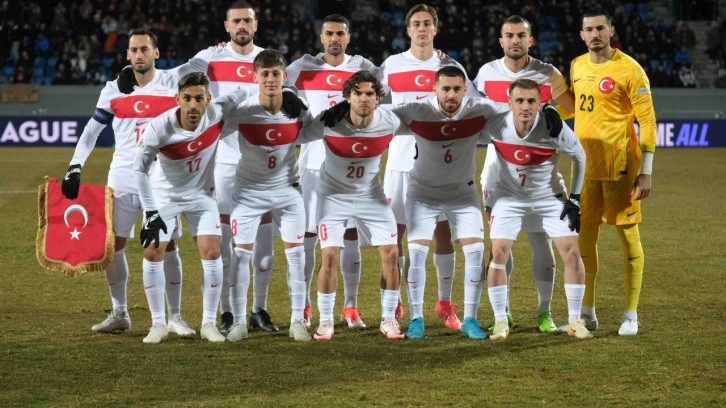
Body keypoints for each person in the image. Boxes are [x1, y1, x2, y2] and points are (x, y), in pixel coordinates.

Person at [62, 28, 193, 338]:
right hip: (122, 176)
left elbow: (203, 68)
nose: (139, 55)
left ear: (156, 53)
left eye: (144, 49)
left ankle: (174, 316)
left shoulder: (173, 83)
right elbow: (92, 130)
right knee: (113, 245)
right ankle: (120, 312)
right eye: (133, 50)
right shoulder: (113, 89)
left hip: (161, 177)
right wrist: (75, 165)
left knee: (167, 244)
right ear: (127, 55)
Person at [170, 1, 277, 334]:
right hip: (222, 164)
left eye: (247, 20)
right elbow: (175, 77)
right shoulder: (210, 58)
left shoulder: (268, 61)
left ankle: (259, 309)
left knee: (263, 248)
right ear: (227, 26)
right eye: (236, 21)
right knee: (224, 245)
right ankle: (227, 312)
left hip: (261, 164)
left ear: (256, 25)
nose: (242, 25)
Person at [387, 66, 509, 339]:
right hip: (422, 194)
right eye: (445, 89)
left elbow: (513, 111)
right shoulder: (418, 110)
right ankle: (416, 318)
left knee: (476, 252)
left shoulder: (480, 110)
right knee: (416, 253)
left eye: (456, 89)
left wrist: (548, 113)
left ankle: (470, 319)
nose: (451, 95)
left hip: (462, 194)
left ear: (465, 90)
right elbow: (380, 113)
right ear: (435, 89)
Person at [473, 15, 576, 334]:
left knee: (541, 242)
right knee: (499, 245)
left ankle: (545, 312)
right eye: (509, 35)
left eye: (521, 35)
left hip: (538, 171)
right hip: (497, 169)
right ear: (501, 40)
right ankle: (502, 312)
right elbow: (473, 111)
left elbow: (571, 107)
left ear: (530, 40)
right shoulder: (486, 73)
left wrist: (553, 114)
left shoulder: (548, 73)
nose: (515, 40)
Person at [377, 3, 477, 329]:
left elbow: (472, 105)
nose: (422, 29)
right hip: (400, 162)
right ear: (408, 30)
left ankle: (444, 303)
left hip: (440, 164)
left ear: (435, 28)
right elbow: (371, 101)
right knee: (396, 233)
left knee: (443, 232)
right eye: (416, 24)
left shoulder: (451, 67)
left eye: (427, 24)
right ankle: (394, 303)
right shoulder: (391, 65)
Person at [133, 72, 252, 343]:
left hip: (201, 195)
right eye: (187, 98)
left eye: (199, 98)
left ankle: (208, 323)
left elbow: (246, 90)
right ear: (177, 99)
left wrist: (287, 95)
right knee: (153, 252)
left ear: (209, 99)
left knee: (212, 252)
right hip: (165, 196)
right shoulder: (159, 127)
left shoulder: (217, 111)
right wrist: (150, 212)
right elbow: (139, 170)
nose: (193, 105)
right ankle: (158, 323)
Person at [480, 78, 592, 341]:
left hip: (549, 197)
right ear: (509, 102)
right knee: (498, 252)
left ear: (540, 103)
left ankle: (574, 321)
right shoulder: (496, 124)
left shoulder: (553, 126)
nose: (525, 106)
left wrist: (575, 198)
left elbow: (580, 155)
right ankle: (500, 321)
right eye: (519, 100)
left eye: (531, 101)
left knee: (572, 253)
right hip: (509, 197)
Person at [285, 14, 377, 329]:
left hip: (350, 168)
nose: (335, 38)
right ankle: (305, 306)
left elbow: (389, 87)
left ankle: (350, 306)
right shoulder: (303, 67)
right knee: (308, 236)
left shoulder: (362, 67)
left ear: (348, 37)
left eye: (340, 33)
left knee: (350, 235)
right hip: (311, 166)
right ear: (321, 37)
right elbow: (275, 78)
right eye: (329, 33)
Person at [300, 70, 405, 340]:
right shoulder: (329, 121)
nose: (364, 98)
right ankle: (326, 321)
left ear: (378, 98)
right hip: (332, 196)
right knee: (329, 256)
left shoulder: (390, 121)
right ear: (347, 96)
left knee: (391, 254)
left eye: (370, 93)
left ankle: (388, 320)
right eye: (358, 93)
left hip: (371, 196)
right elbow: (296, 135)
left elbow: (424, 120)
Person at [570, 8, 656, 336]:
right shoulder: (577, 65)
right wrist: (546, 109)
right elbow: (577, 105)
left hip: (621, 167)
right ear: (582, 34)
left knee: (628, 235)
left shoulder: (630, 69)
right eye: (589, 29)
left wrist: (646, 171)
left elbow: (647, 120)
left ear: (611, 30)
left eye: (600, 28)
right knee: (585, 237)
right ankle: (587, 312)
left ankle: (630, 314)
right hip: (585, 168)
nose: (594, 34)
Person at [222, 49, 313, 342]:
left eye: (276, 73)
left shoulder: (298, 109)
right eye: (265, 74)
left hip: (288, 191)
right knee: (240, 255)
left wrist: (301, 104)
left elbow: (319, 129)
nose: (271, 79)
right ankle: (238, 321)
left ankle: (297, 321)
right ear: (255, 78)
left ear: (284, 76)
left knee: (296, 256)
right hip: (249, 192)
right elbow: (210, 127)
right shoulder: (242, 112)